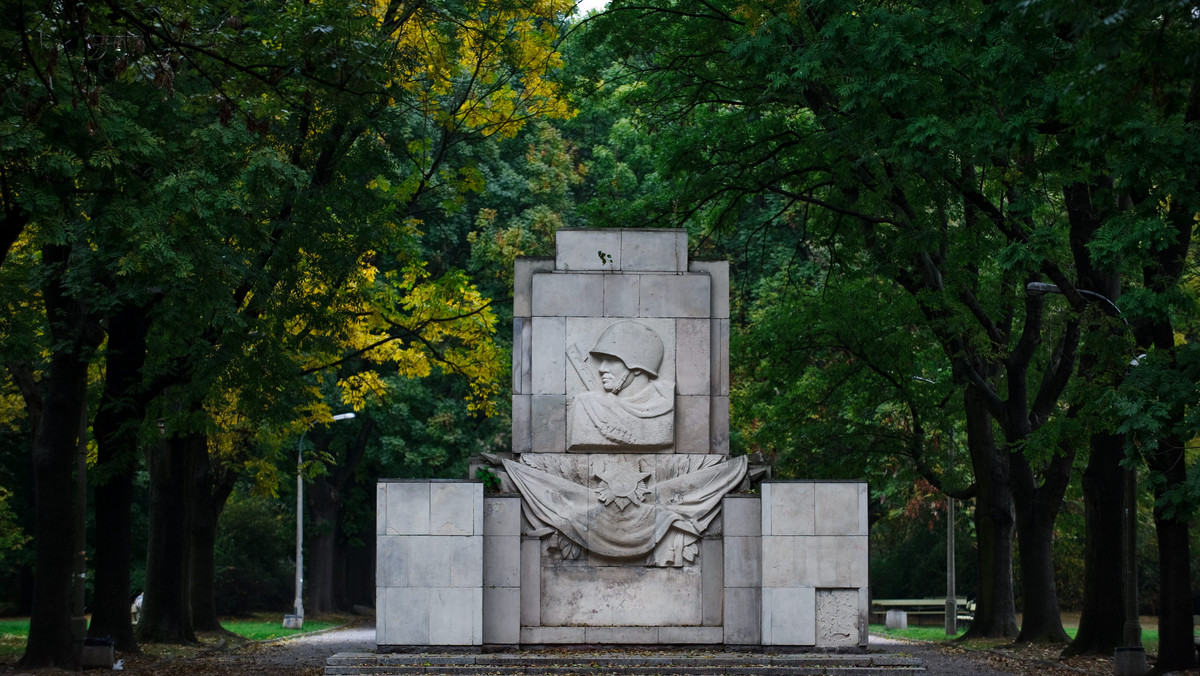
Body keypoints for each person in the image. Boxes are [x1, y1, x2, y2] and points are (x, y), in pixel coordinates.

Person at [567, 320, 674, 450]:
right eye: (602, 361)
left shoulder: (666, 408)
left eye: (611, 361)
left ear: (637, 367)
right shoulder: (586, 405)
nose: (601, 368)